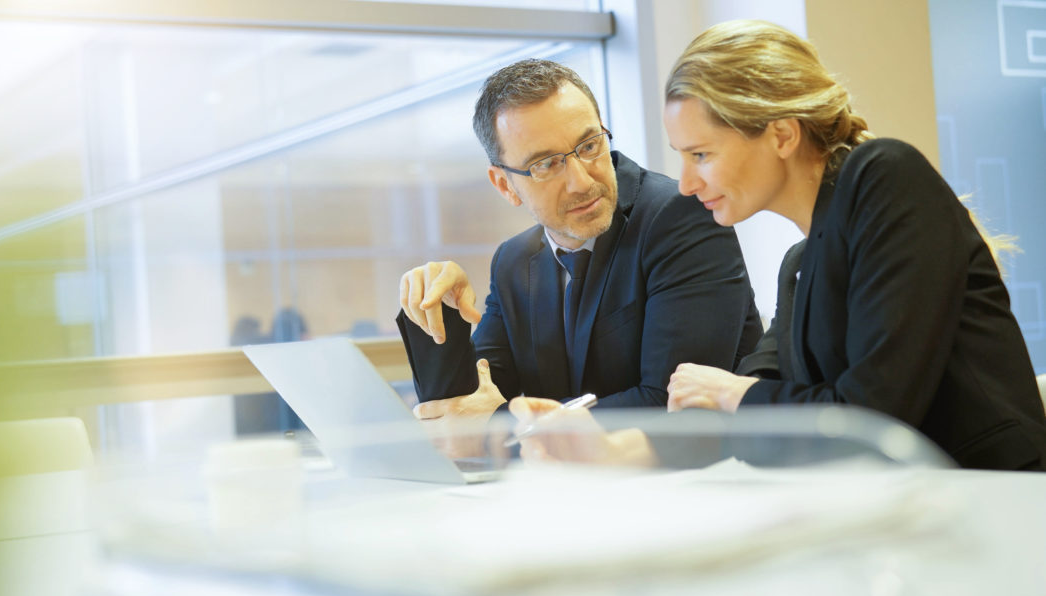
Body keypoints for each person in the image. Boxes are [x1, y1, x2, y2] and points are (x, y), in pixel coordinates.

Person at [512, 20, 1046, 471]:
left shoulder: (886, 176)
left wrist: (730, 392)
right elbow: (748, 412)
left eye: (701, 155)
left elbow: (873, 416)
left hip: (1001, 501)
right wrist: (603, 449)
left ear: (783, 135)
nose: (687, 183)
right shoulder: (799, 264)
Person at [397, 59, 764, 456]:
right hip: (573, 486)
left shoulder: (681, 216)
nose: (582, 181)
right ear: (505, 185)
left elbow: (668, 404)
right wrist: (439, 311)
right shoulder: (513, 262)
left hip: (696, 481)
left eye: (589, 146)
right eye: (545, 164)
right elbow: (466, 407)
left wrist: (497, 427)